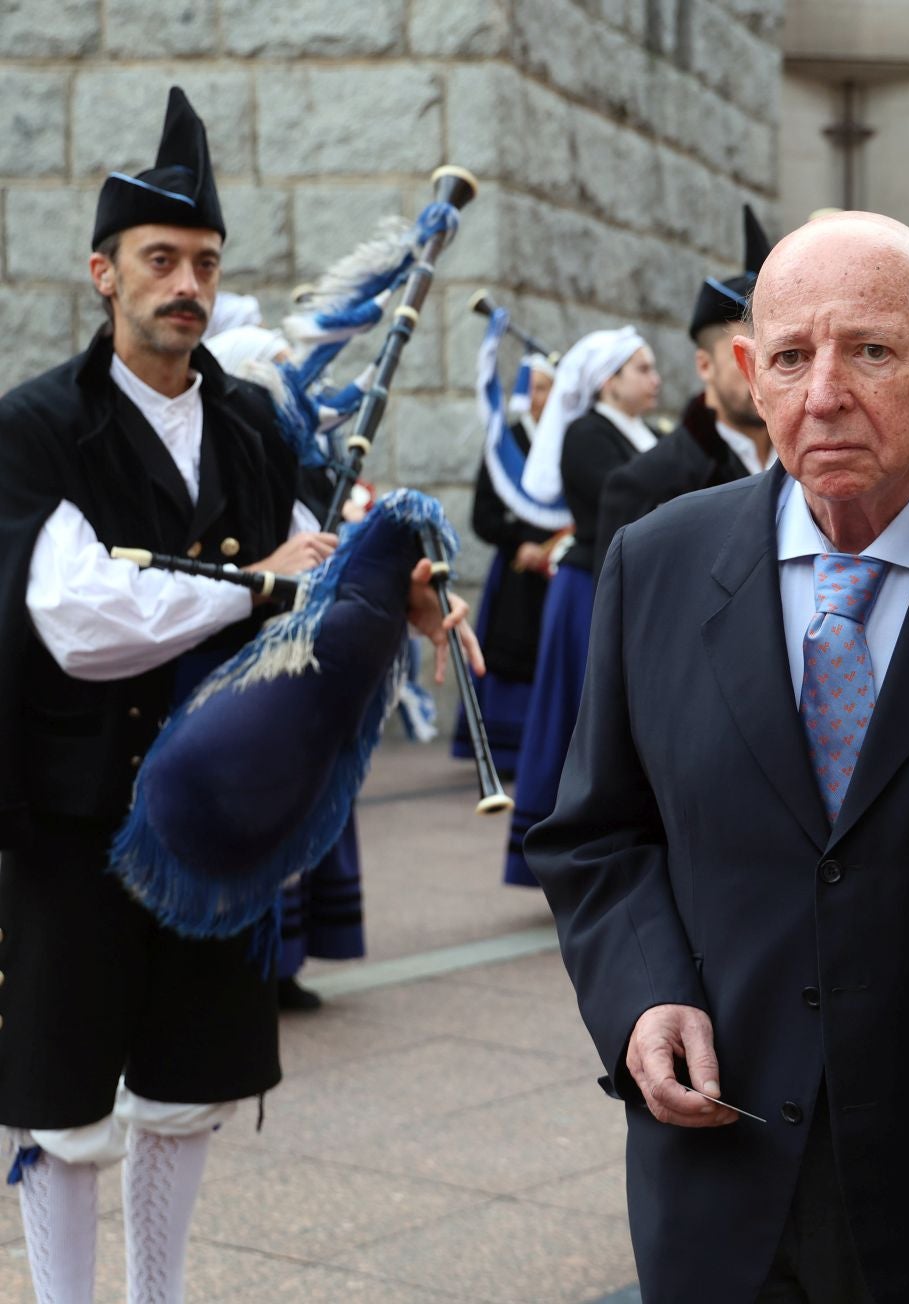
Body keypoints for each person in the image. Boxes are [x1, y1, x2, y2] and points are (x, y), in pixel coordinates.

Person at [526, 212, 909, 1303]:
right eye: (792, 356)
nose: (826, 392)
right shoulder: (659, 562)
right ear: (749, 373)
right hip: (723, 1166)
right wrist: (644, 996)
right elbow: (597, 833)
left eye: (872, 350)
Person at [0, 87, 473, 1304]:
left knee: (185, 1090)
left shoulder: (258, 425)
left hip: (220, 813)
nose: (187, 284)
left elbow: (327, 563)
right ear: (103, 272)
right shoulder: (35, 426)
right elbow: (75, 616)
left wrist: (403, 591)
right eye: (160, 259)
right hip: (72, 812)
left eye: (205, 262)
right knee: (63, 1107)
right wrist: (256, 583)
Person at [503, 328, 659, 887]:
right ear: (609, 381)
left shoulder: (647, 432)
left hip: (630, 587)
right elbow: (627, 498)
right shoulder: (587, 434)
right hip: (587, 590)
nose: (655, 379)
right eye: (642, 369)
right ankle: (569, 857)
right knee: (580, 719)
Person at [594, 206, 775, 575]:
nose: (763, 373)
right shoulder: (647, 484)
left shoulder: (814, 465)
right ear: (704, 365)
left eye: (781, 355)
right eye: (744, 357)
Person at [457, 350, 558, 778]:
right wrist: (519, 543)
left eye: (547, 388)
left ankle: (551, 749)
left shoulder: (567, 441)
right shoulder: (506, 441)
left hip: (558, 567)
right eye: (532, 389)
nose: (539, 397)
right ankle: (507, 752)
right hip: (517, 575)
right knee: (511, 652)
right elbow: (483, 515)